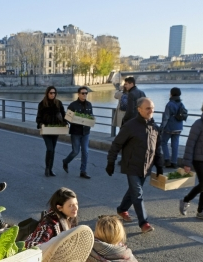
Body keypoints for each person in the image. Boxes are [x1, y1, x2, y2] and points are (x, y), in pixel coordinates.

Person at [106, 97, 163, 234]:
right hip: (131, 165)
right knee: (137, 194)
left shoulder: (155, 127)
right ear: (139, 109)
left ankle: (122, 209)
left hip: (146, 167)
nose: (151, 111)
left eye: (153, 108)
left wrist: (159, 166)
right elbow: (116, 144)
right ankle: (144, 223)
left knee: (133, 191)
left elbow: (157, 148)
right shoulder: (130, 126)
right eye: (148, 108)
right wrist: (111, 162)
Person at [63, 86, 93, 179]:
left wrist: (91, 120)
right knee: (75, 152)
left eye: (86, 93)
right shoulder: (73, 105)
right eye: (83, 93)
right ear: (79, 94)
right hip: (76, 132)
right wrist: (76, 121)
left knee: (85, 151)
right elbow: (67, 118)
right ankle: (65, 161)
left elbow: (91, 116)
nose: (85, 95)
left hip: (86, 132)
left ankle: (83, 171)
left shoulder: (89, 104)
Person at [36, 86, 66, 177]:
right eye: (51, 93)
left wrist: (65, 123)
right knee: (50, 149)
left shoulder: (58, 103)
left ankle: (51, 169)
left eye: (54, 93)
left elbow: (64, 115)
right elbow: (38, 117)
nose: (53, 94)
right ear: (47, 93)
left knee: (53, 150)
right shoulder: (42, 104)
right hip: (46, 130)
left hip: (56, 129)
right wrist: (41, 124)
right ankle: (47, 168)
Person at [160, 87, 187, 168]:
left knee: (164, 142)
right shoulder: (181, 104)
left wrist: (161, 127)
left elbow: (166, 117)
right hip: (179, 127)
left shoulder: (169, 104)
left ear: (171, 94)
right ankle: (174, 162)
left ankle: (167, 160)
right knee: (175, 144)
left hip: (169, 127)